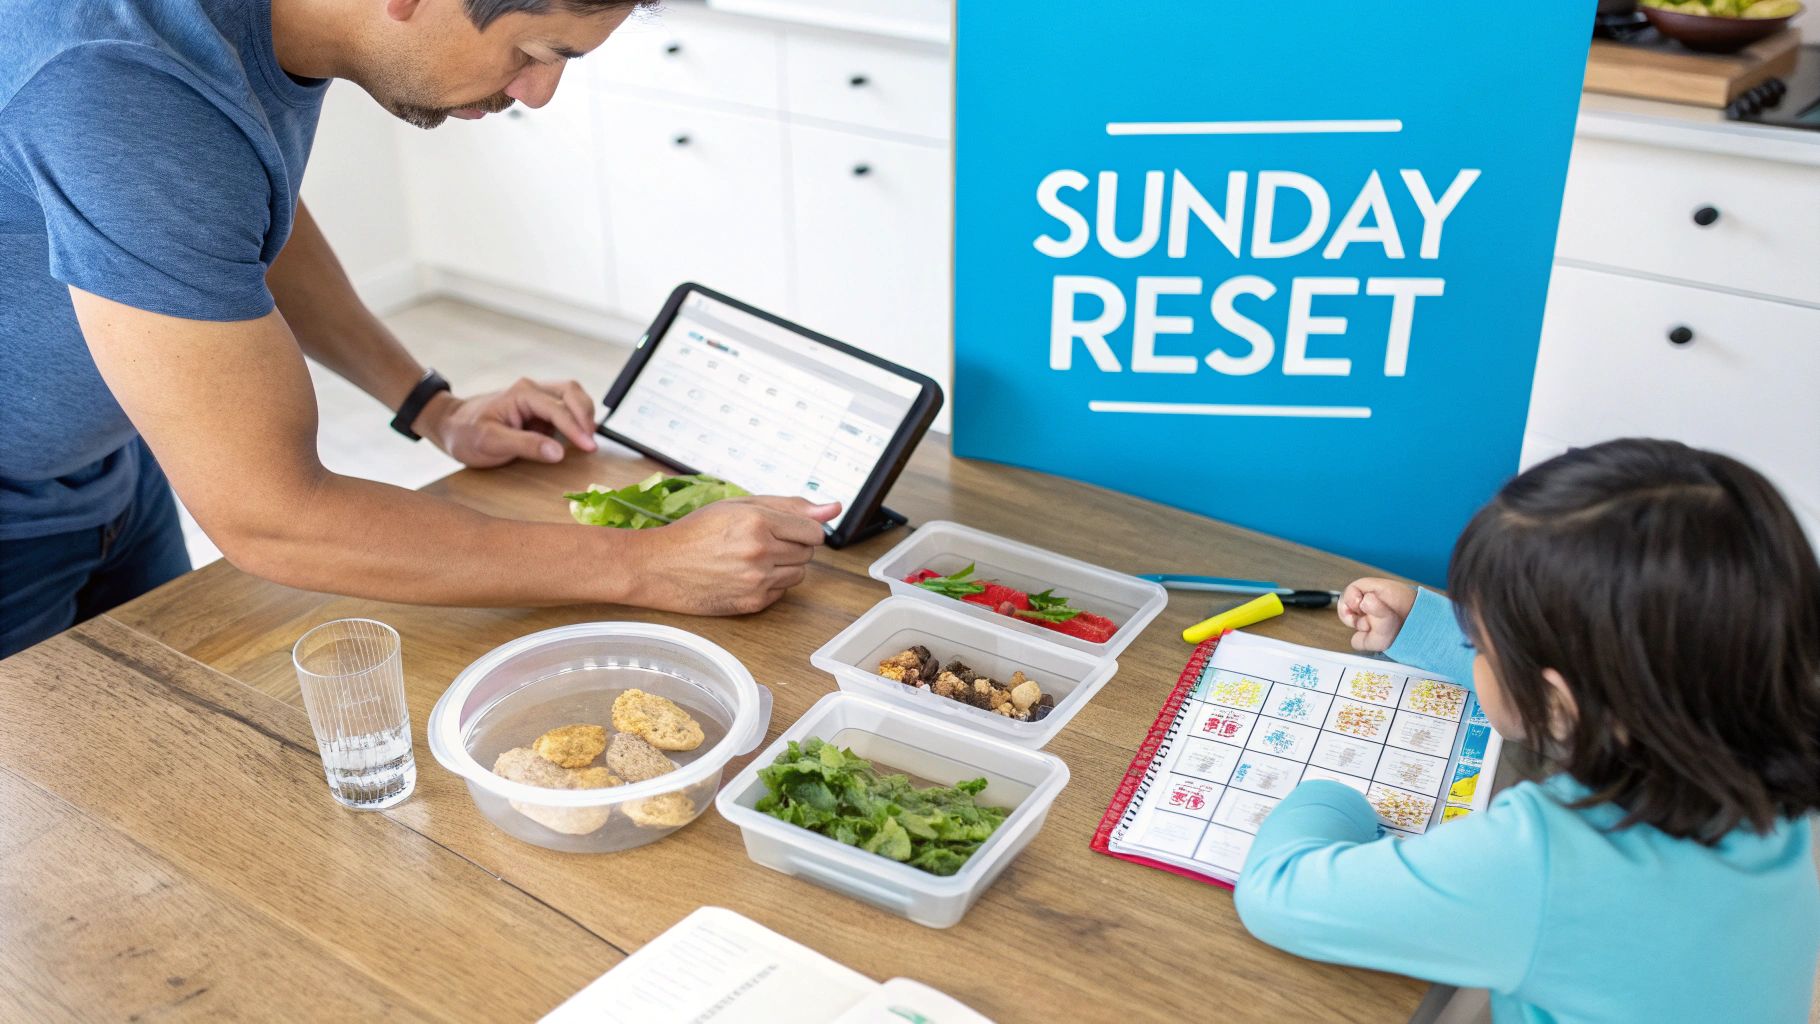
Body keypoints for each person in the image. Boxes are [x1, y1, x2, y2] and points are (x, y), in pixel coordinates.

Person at [0, 0, 838, 659]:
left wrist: (428, 404)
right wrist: (649, 565)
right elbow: (272, 515)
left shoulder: (231, 36)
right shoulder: (117, 77)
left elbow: (232, 214)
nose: (537, 93)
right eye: (536, 52)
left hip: (108, 466)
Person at [1233, 438, 1820, 1022]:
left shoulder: (1546, 861)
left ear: (1562, 698)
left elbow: (1278, 893)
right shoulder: (1766, 749)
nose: (1473, 649)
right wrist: (1428, 632)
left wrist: (1326, 793)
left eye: (1478, 643)